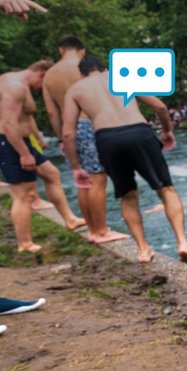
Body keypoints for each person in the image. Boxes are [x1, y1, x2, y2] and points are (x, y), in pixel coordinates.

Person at [62, 55, 187, 265]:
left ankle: (143, 249)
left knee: (128, 196)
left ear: (83, 73)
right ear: (104, 68)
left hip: (107, 138)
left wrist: (76, 166)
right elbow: (160, 107)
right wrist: (167, 131)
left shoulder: (76, 89)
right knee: (166, 189)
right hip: (140, 133)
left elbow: (68, 133)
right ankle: (182, 242)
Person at [43, 35, 128, 244]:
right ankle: (101, 231)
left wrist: (63, 138)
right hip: (92, 124)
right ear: (82, 50)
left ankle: (93, 229)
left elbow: (52, 113)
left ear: (60, 50)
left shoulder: (49, 75)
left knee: (83, 181)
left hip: (70, 129)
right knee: (98, 180)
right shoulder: (86, 67)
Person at [0, 60, 85, 253]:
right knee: (23, 194)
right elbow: (8, 123)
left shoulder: (17, 82)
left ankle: (70, 219)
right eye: (46, 83)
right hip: (9, 142)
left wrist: (37, 137)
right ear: (42, 73)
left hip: (20, 141)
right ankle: (25, 244)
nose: (44, 89)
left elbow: (25, 117)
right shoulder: (15, 87)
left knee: (51, 174)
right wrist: (24, 153)